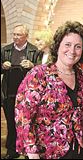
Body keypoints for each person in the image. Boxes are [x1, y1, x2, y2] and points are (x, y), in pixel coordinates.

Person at [15, 21, 83, 159]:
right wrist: (32, 152)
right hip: (48, 153)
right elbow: (23, 116)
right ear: (57, 47)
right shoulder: (39, 75)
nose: (72, 51)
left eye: (78, 46)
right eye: (67, 45)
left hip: (80, 152)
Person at [1, 24, 40, 159]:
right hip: (9, 94)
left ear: (26, 36)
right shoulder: (5, 50)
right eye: (14, 34)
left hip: (27, 95)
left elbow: (41, 71)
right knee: (11, 124)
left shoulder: (34, 51)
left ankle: (27, 150)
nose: (15, 37)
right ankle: (12, 150)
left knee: (27, 124)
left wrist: (32, 66)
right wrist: (2, 66)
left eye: (19, 35)